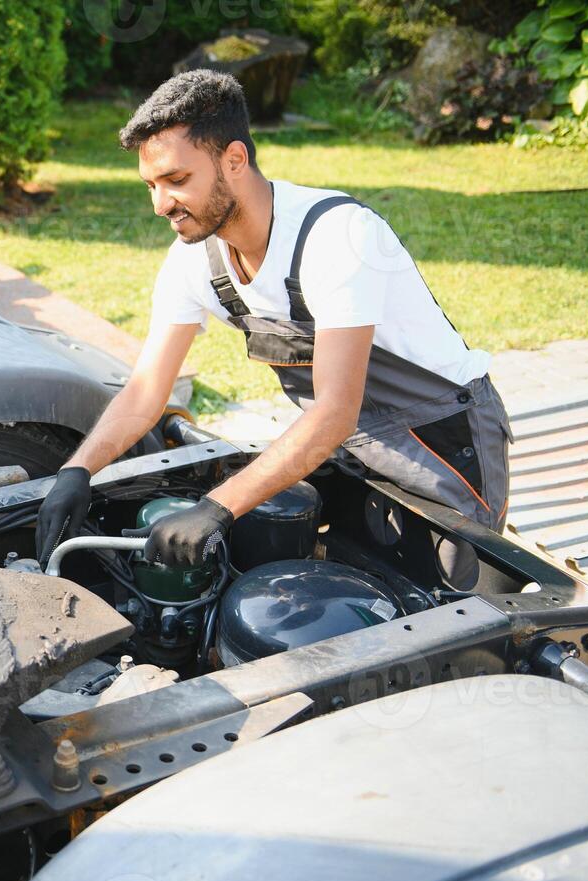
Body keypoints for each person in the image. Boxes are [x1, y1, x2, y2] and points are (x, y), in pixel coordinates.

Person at [35, 69, 512, 572]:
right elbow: (147, 390)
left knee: (455, 610)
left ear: (234, 159)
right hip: (351, 451)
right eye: (151, 185)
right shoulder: (193, 259)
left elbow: (334, 411)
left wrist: (219, 505)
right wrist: (77, 471)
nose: (160, 205)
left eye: (177, 180)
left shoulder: (338, 237)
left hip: (443, 444)